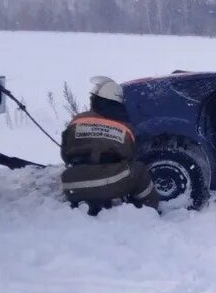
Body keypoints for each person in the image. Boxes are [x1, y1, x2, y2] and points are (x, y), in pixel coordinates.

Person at [60, 76, 159, 214]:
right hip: (106, 184)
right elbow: (130, 157)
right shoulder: (124, 127)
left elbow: (65, 154)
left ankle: (85, 199)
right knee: (139, 170)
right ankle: (149, 212)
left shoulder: (78, 120)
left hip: (71, 183)